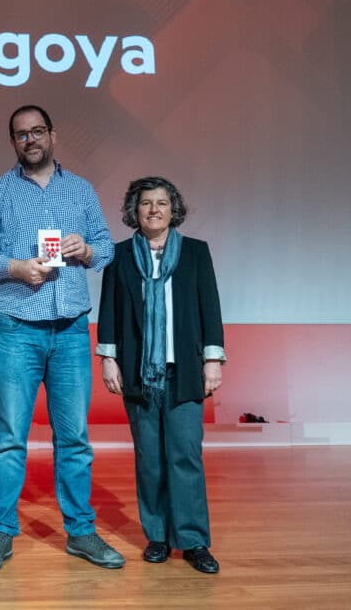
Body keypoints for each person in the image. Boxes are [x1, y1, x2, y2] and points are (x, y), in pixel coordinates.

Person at [0, 105, 124, 571]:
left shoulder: (81, 190)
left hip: (72, 329)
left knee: (74, 438)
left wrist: (89, 248)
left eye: (38, 131)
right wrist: (15, 267)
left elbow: (106, 247)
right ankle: (0, 533)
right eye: (21, 134)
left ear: (53, 135)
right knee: (10, 438)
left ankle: (80, 532)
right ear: (13, 142)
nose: (30, 139)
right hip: (16, 327)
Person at [96, 176, 225, 574]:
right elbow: (110, 312)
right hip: (138, 372)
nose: (154, 210)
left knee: (185, 456)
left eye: (162, 203)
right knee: (149, 459)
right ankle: (156, 536)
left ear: (174, 209)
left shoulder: (196, 253)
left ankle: (192, 540)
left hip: (184, 371)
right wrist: (108, 358)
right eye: (146, 203)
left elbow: (210, 308)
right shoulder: (119, 256)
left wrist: (212, 360)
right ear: (135, 212)